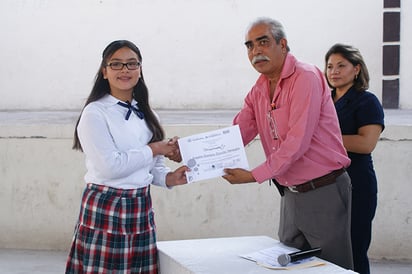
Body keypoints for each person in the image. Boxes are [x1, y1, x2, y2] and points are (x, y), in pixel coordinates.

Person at [222, 18, 354, 270]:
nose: (255, 51)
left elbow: (297, 142)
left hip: (323, 190)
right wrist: (188, 152)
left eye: (263, 42)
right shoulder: (259, 89)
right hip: (290, 193)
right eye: (249, 46)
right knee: (288, 266)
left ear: (282, 44)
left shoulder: (305, 76)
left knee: (330, 268)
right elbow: (239, 133)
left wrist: (254, 175)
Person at [65, 40, 188, 274]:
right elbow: (111, 167)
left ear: (140, 70)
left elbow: (153, 168)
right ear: (104, 71)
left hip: (140, 206)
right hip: (106, 205)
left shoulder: (148, 114)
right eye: (116, 64)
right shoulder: (95, 113)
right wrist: (155, 148)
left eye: (132, 64)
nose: (125, 70)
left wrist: (171, 178)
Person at [325, 43, 384, 274]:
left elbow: (366, 143)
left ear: (356, 69)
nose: (334, 71)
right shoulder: (323, 101)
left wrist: (325, 139)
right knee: (326, 251)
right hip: (324, 186)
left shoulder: (367, 101)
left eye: (341, 65)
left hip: (356, 184)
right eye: (330, 66)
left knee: (354, 249)